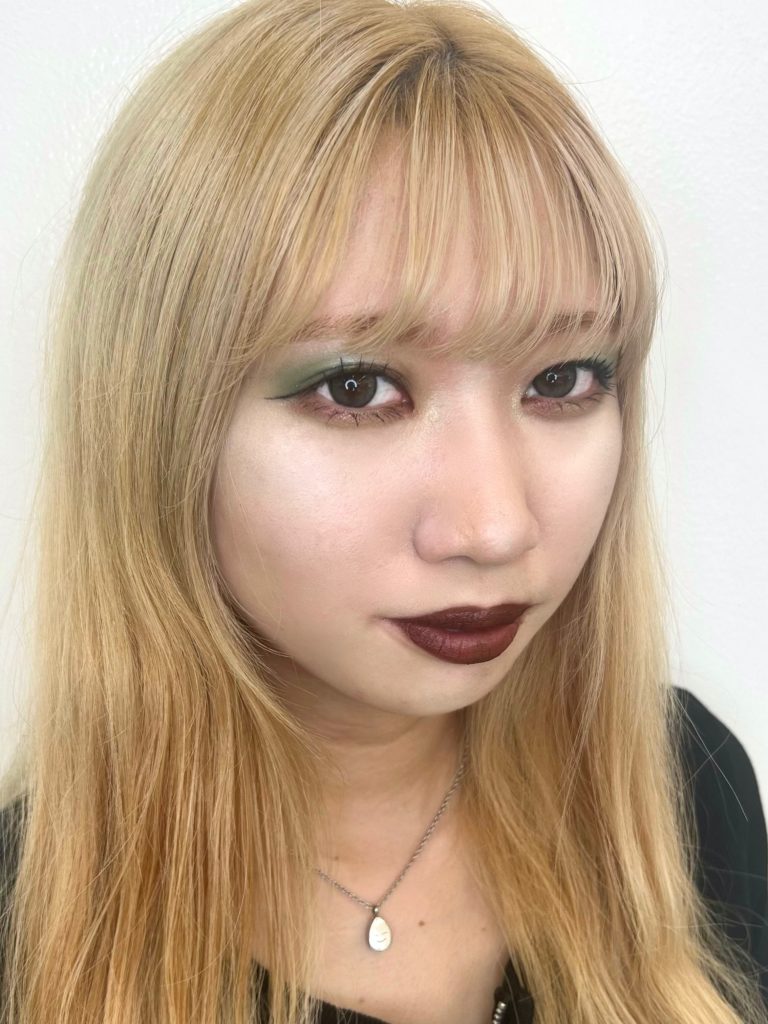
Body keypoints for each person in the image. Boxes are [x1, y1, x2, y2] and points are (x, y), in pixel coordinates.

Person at [0, 0, 765, 1022]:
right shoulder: (24, 942)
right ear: (158, 423)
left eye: (563, 379)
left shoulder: (687, 790)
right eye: (357, 388)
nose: (495, 528)